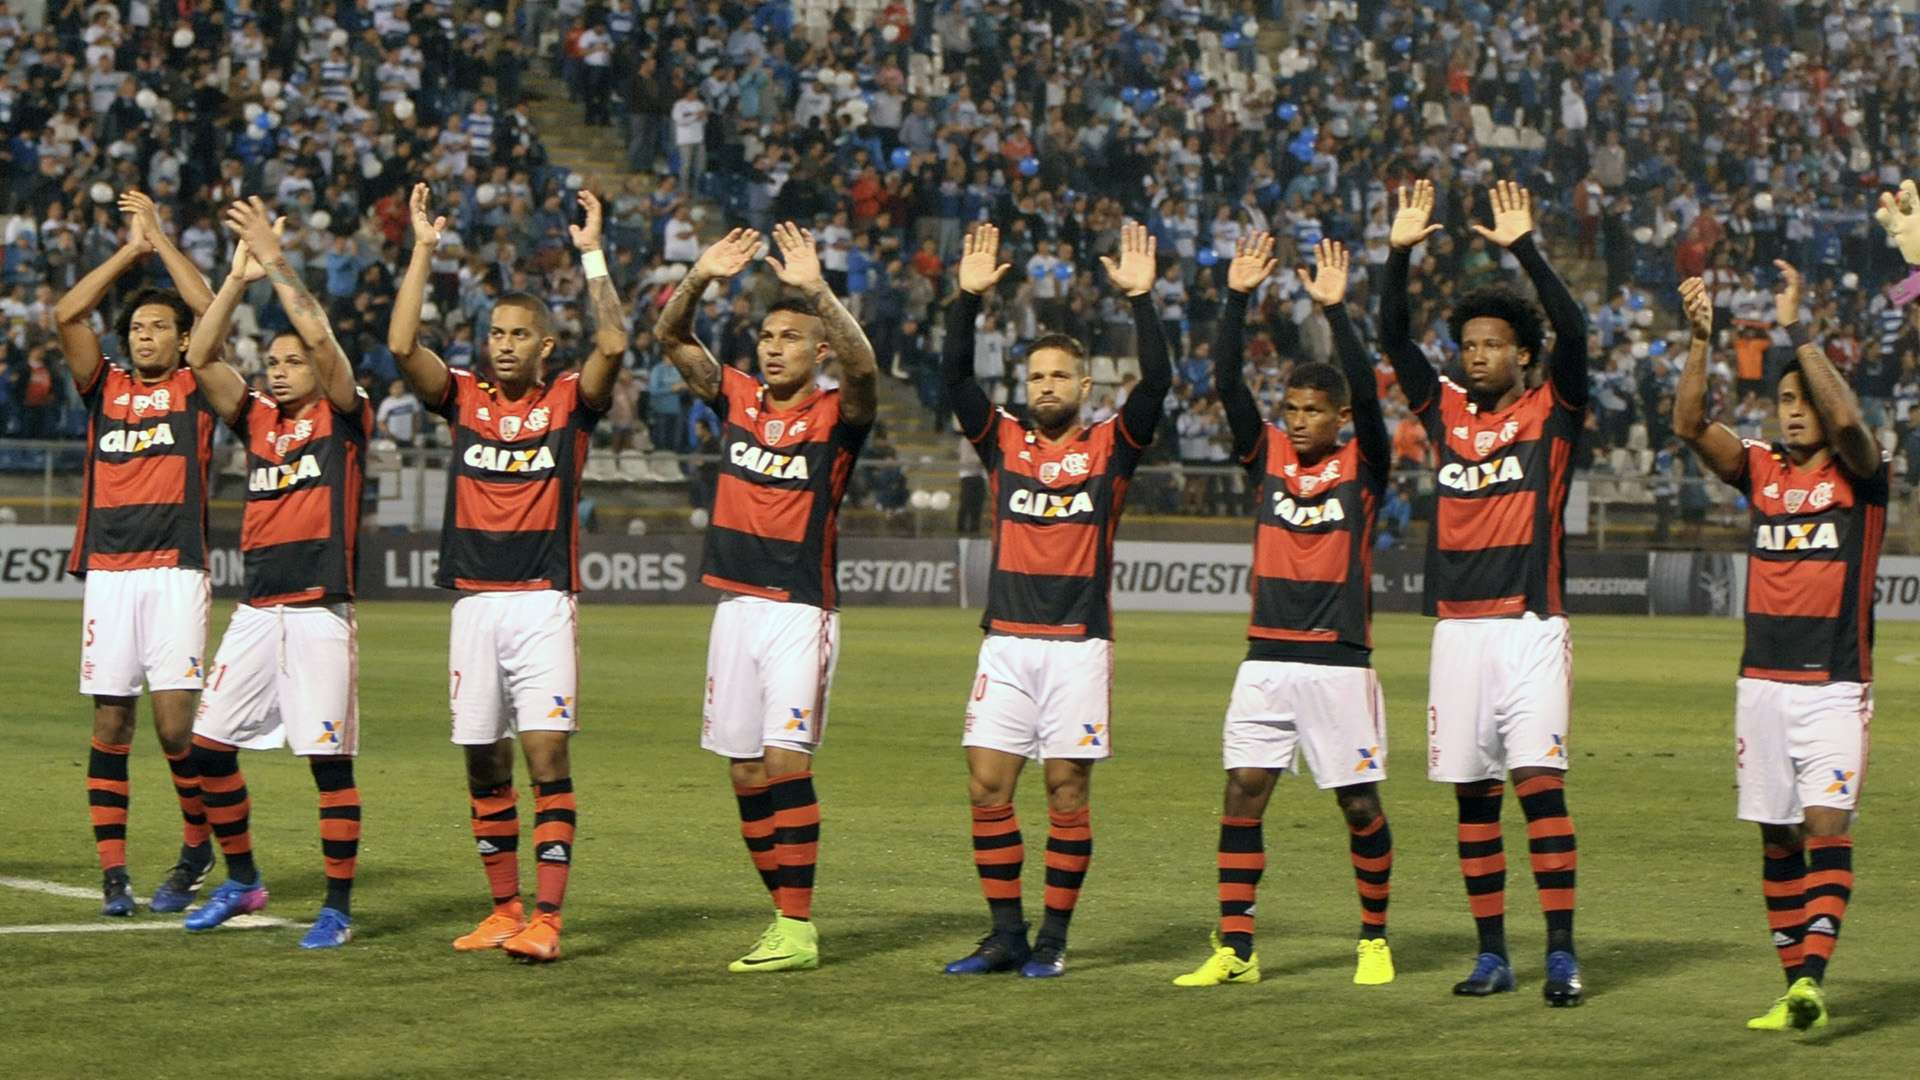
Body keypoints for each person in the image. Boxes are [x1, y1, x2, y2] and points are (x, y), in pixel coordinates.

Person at [387, 182, 623, 963]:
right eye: (495, 332)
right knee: (482, 759)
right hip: (473, 605)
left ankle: (549, 922)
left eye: (519, 334)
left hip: (541, 602)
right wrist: (423, 248)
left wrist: (592, 252)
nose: (504, 343)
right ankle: (504, 908)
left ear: (545, 345)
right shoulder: (464, 400)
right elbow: (398, 347)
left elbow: (615, 345)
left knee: (545, 759)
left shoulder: (566, 401)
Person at [939, 222, 1170, 979]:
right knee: (986, 787)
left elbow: (1160, 384)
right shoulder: (1002, 441)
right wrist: (966, 303)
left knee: (1066, 793)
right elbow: (953, 383)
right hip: (1005, 641)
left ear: (1084, 388)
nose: (1045, 387)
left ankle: (1054, 939)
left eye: (1058, 378)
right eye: (1035, 377)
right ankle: (1005, 934)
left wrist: (1143, 302)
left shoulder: (1111, 448)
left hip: (1076, 643)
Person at [1380, 179, 1588, 1005]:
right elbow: (1394, 339)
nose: (1476, 354)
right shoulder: (1446, 414)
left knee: (1539, 787)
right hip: (1458, 630)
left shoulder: (1555, 409)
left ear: (1522, 355)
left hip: (1529, 626)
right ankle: (1493, 954)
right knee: (1473, 799)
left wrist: (1524, 249)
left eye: (1494, 343)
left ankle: (1563, 952)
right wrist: (1399, 254)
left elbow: (1573, 329)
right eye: (1468, 343)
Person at [652, 223, 877, 972]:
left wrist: (819, 291)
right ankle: (783, 914)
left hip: (798, 608)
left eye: (790, 337)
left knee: (785, 761)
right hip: (735, 607)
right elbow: (670, 336)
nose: (772, 346)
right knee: (744, 770)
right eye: (766, 335)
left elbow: (868, 369)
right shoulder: (739, 398)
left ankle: (799, 926)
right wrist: (699, 277)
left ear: (819, 355)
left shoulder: (838, 419)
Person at [1172, 237, 1396, 988]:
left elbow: (1368, 391)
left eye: (1313, 411)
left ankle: (1373, 939)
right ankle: (1236, 948)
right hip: (1265, 656)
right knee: (1241, 794)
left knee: (1359, 805)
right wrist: (1235, 298)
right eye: (1291, 409)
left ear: (1339, 417)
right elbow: (1226, 380)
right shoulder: (1265, 453)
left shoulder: (1363, 463)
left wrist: (1336, 314)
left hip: (1338, 657)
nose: (1298, 421)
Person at [1673, 267, 1885, 1032]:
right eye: (1785, 402)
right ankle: (1791, 982)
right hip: (1759, 685)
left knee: (1828, 826)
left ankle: (1815, 977)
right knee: (1777, 835)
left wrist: (1799, 333)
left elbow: (1853, 424)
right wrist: (1701, 341)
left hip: (1833, 684)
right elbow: (1691, 425)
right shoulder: (1761, 470)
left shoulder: (1864, 477)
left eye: (1805, 402)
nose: (1794, 414)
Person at [174, 199, 369, 948]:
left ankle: (337, 907)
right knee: (208, 749)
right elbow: (200, 358)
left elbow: (319, 334)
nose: (278, 372)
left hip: (320, 609)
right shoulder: (257, 418)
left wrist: (278, 265)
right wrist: (236, 275)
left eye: (290, 363)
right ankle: (243, 878)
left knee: (327, 763)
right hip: (259, 609)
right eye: (273, 363)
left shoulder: (345, 415)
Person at [56, 190, 216, 917]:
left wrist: (162, 239)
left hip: (175, 573)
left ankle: (195, 846)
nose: (145, 335)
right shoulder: (106, 388)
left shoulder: (196, 385)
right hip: (111, 576)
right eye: (138, 326)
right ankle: (113, 874)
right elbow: (65, 315)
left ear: (184, 342)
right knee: (111, 723)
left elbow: (209, 304)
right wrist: (129, 252)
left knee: (176, 728)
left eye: (160, 326)